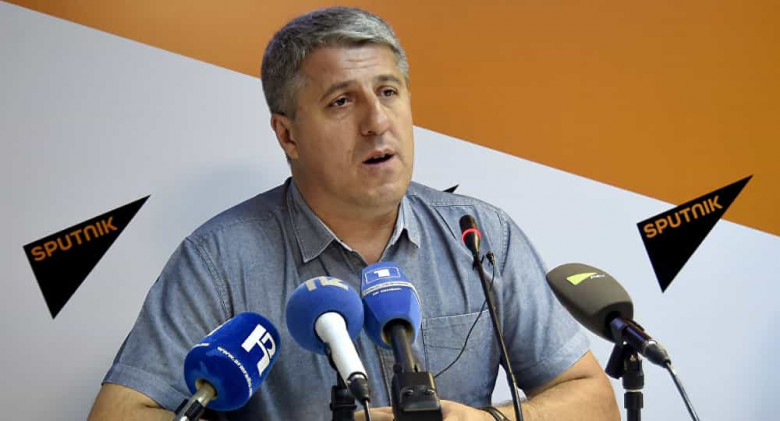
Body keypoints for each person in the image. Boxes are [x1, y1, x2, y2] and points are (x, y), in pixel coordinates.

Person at [88, 7, 619, 421]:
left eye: (388, 92)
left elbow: (590, 398)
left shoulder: (480, 236)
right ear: (288, 135)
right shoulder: (220, 259)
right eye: (341, 102)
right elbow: (121, 412)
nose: (377, 121)